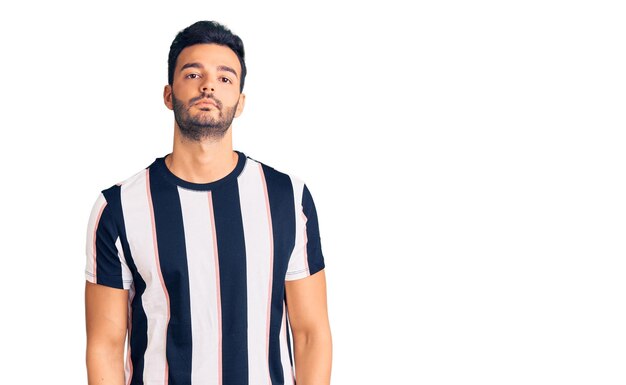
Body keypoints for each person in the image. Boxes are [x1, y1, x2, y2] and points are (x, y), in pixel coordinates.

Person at [84, 20, 332, 385]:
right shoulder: (118, 207)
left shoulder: (286, 198)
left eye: (225, 77)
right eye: (193, 74)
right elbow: (105, 344)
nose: (208, 85)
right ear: (168, 94)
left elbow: (311, 333)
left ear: (241, 102)